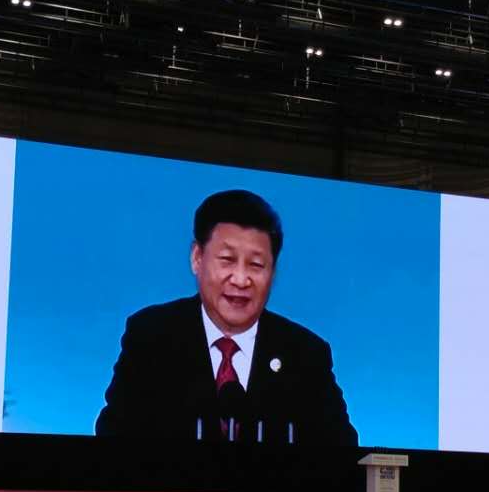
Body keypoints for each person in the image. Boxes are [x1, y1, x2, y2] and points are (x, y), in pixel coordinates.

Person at [94, 189, 356, 445]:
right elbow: (112, 439)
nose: (241, 279)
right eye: (227, 259)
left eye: (256, 265)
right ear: (197, 258)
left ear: (273, 272)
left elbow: (343, 454)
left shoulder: (306, 355)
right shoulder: (151, 336)